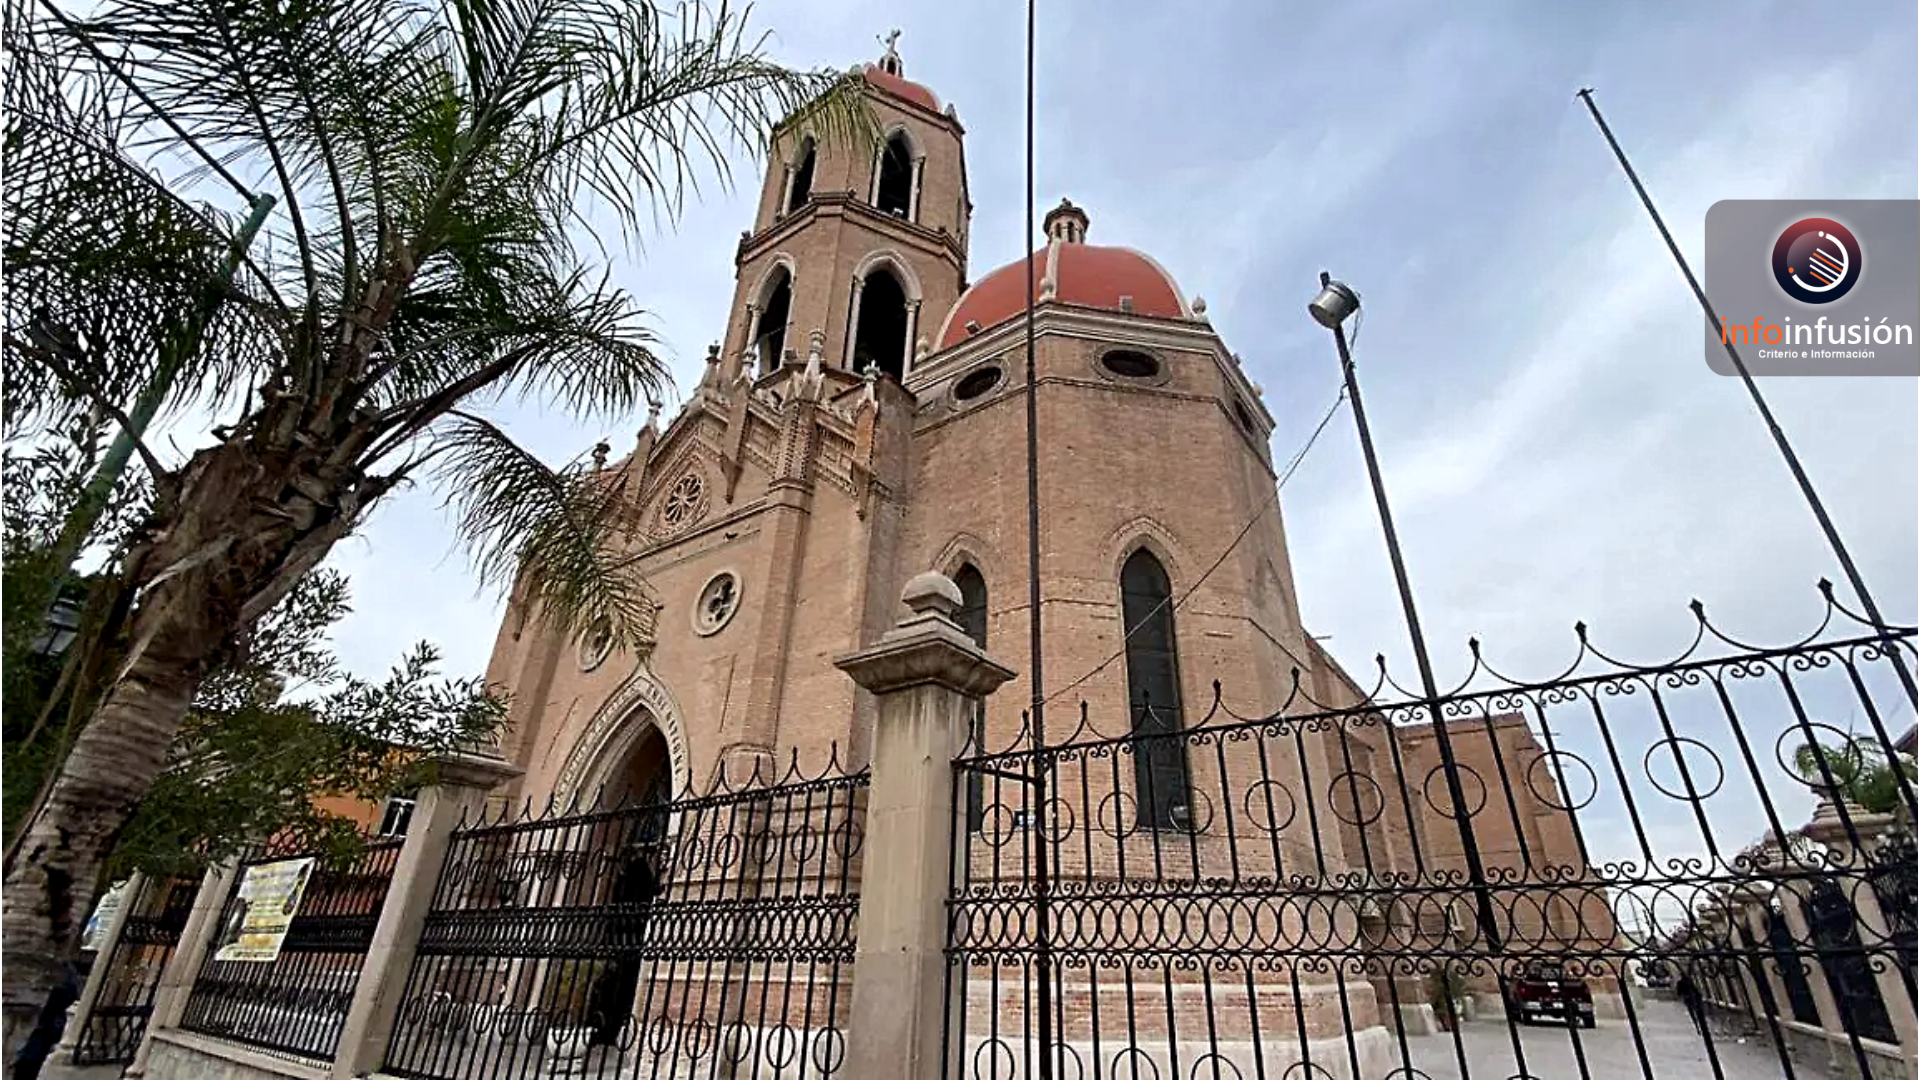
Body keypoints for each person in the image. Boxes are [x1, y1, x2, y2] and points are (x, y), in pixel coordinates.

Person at [10, 961, 80, 1080]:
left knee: (27, 1065)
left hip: (42, 1027)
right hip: (39, 1026)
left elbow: (67, 995)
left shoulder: (63, 969)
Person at [1675, 969, 1708, 1037]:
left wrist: (1682, 996)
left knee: (1692, 1013)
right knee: (1697, 1011)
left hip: (1688, 998)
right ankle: (1700, 1025)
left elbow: (1679, 993)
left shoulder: (1680, 983)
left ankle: (1697, 1026)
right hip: (1693, 997)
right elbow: (1695, 989)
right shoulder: (1689, 981)